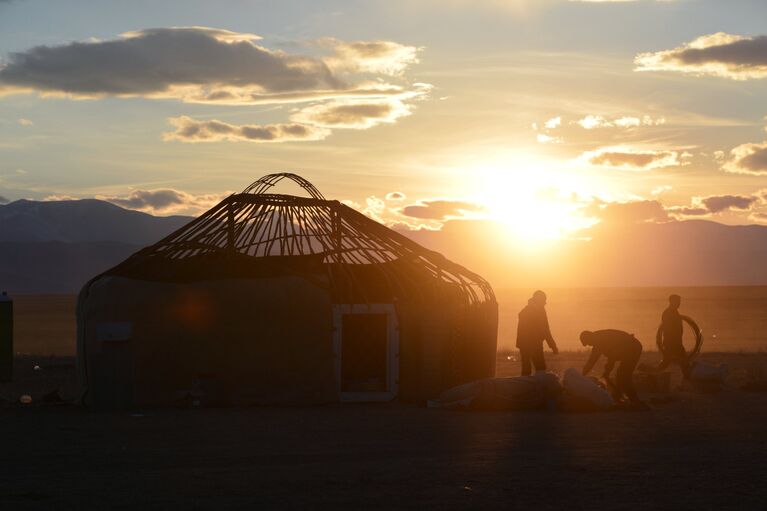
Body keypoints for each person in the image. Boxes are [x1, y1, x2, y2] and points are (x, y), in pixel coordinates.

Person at [580, 329, 643, 404]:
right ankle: (618, 397)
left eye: (588, 343)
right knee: (620, 375)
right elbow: (609, 356)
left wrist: (582, 376)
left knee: (624, 376)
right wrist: (607, 371)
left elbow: (593, 361)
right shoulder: (598, 339)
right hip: (629, 349)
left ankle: (635, 401)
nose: (589, 345)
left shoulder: (599, 341)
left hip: (633, 348)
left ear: (589, 337)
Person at [516, 290, 558, 376]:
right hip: (531, 343)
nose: (545, 303)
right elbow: (545, 329)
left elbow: (545, 328)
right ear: (539, 301)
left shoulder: (535, 310)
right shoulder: (530, 311)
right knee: (537, 368)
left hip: (530, 343)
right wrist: (553, 345)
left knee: (529, 369)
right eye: (543, 301)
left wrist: (552, 345)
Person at [656, 294, 691, 379]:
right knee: (683, 361)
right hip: (672, 343)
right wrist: (673, 341)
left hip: (675, 342)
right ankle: (687, 378)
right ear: (672, 302)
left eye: (679, 302)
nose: (679, 303)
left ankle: (647, 371)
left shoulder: (674, 312)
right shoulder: (668, 312)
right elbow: (667, 328)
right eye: (677, 302)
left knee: (666, 363)